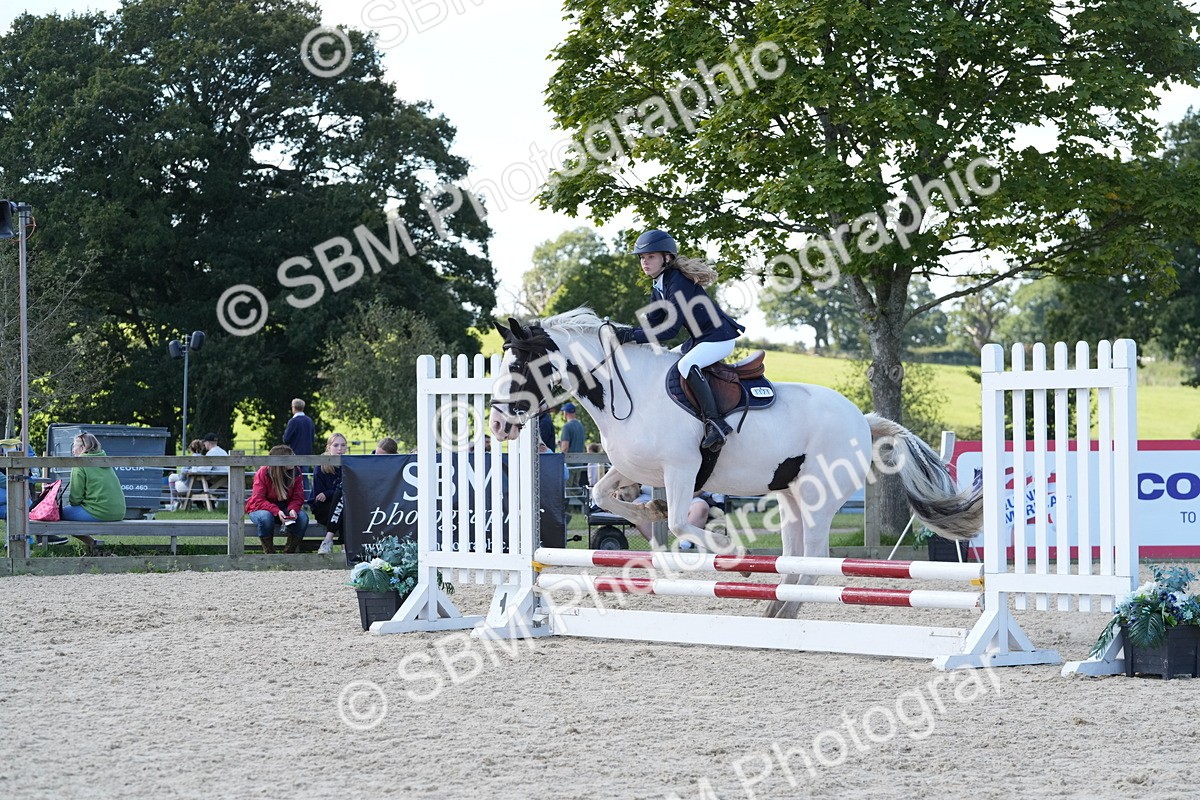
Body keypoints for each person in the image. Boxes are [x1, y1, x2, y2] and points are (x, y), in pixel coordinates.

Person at [614, 228, 745, 452]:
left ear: (667, 258)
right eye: (642, 258)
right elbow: (653, 324)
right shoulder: (659, 285)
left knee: (686, 365)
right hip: (700, 340)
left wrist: (633, 336)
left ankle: (716, 424)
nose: (645, 262)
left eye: (651, 256)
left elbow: (669, 330)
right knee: (666, 362)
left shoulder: (678, 282)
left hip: (719, 338)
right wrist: (623, 333)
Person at [61, 432, 127, 551]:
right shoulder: (104, 461)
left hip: (99, 511)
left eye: (74, 446)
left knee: (59, 514)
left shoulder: (80, 464)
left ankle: (92, 543)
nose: (72, 450)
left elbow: (75, 499)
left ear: (83, 447)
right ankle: (93, 544)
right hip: (119, 511)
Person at [245, 444, 309, 554]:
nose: (294, 459)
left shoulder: (296, 472)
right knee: (265, 518)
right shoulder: (264, 472)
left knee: (303, 518)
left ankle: (289, 552)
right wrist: (276, 511)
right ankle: (269, 552)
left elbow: (298, 496)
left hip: (285, 508)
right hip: (260, 509)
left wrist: (293, 509)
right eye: (290, 457)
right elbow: (258, 499)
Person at [311, 432, 347, 555]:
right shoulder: (321, 467)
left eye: (343, 445)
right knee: (341, 497)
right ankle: (344, 547)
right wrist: (331, 494)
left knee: (343, 502)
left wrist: (329, 493)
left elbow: (352, 490)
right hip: (324, 509)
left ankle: (328, 540)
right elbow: (319, 496)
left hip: (343, 508)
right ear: (329, 447)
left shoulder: (349, 466)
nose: (340, 449)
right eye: (336, 445)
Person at [283, 398, 315, 491]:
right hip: (307, 454)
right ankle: (306, 499)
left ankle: (295, 499)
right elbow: (312, 438)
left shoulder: (293, 421)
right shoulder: (309, 420)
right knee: (304, 477)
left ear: (293, 408)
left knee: (293, 477)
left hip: (295, 454)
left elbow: (286, 439)